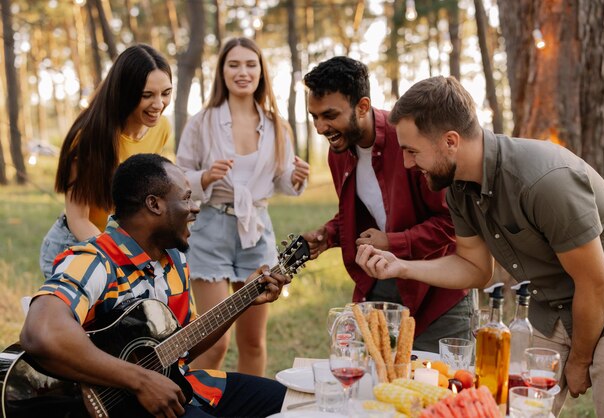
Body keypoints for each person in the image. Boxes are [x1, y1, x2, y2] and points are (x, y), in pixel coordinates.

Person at [356, 75, 604, 418]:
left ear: (450, 141)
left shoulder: (543, 181)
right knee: (502, 411)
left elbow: (597, 282)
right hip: (551, 306)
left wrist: (580, 360)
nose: (408, 164)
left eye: (412, 151)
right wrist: (402, 266)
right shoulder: (457, 187)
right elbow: (476, 268)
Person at [21, 154, 288, 418]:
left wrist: (243, 300)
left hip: (182, 387)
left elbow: (180, 347)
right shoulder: (95, 260)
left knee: (290, 401)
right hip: (120, 405)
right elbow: (41, 332)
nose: (195, 207)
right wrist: (140, 381)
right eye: (185, 198)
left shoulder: (174, 260)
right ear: (154, 204)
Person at [301, 57, 471, 353]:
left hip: (439, 296)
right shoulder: (338, 151)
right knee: (372, 389)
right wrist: (328, 234)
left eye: (329, 115)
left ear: (362, 107)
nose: (320, 127)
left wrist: (392, 242)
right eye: (314, 117)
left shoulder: (407, 140)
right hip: (381, 287)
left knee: (439, 392)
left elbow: (450, 223)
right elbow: (368, 212)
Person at [176, 37, 309, 376]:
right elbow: (177, 179)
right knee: (213, 341)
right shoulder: (201, 122)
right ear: (221, 72)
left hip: (257, 233)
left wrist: (296, 178)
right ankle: (201, 408)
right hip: (211, 232)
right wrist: (205, 177)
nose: (243, 72)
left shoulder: (276, 125)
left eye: (251, 64)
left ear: (261, 71)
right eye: (233, 64)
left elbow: (282, 179)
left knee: (253, 341)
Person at [39, 44, 173, 279]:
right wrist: (120, 259)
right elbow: (79, 219)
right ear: (125, 92)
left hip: (123, 244)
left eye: (166, 93)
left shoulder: (161, 128)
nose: (159, 104)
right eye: (147, 95)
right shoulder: (89, 139)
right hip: (78, 245)